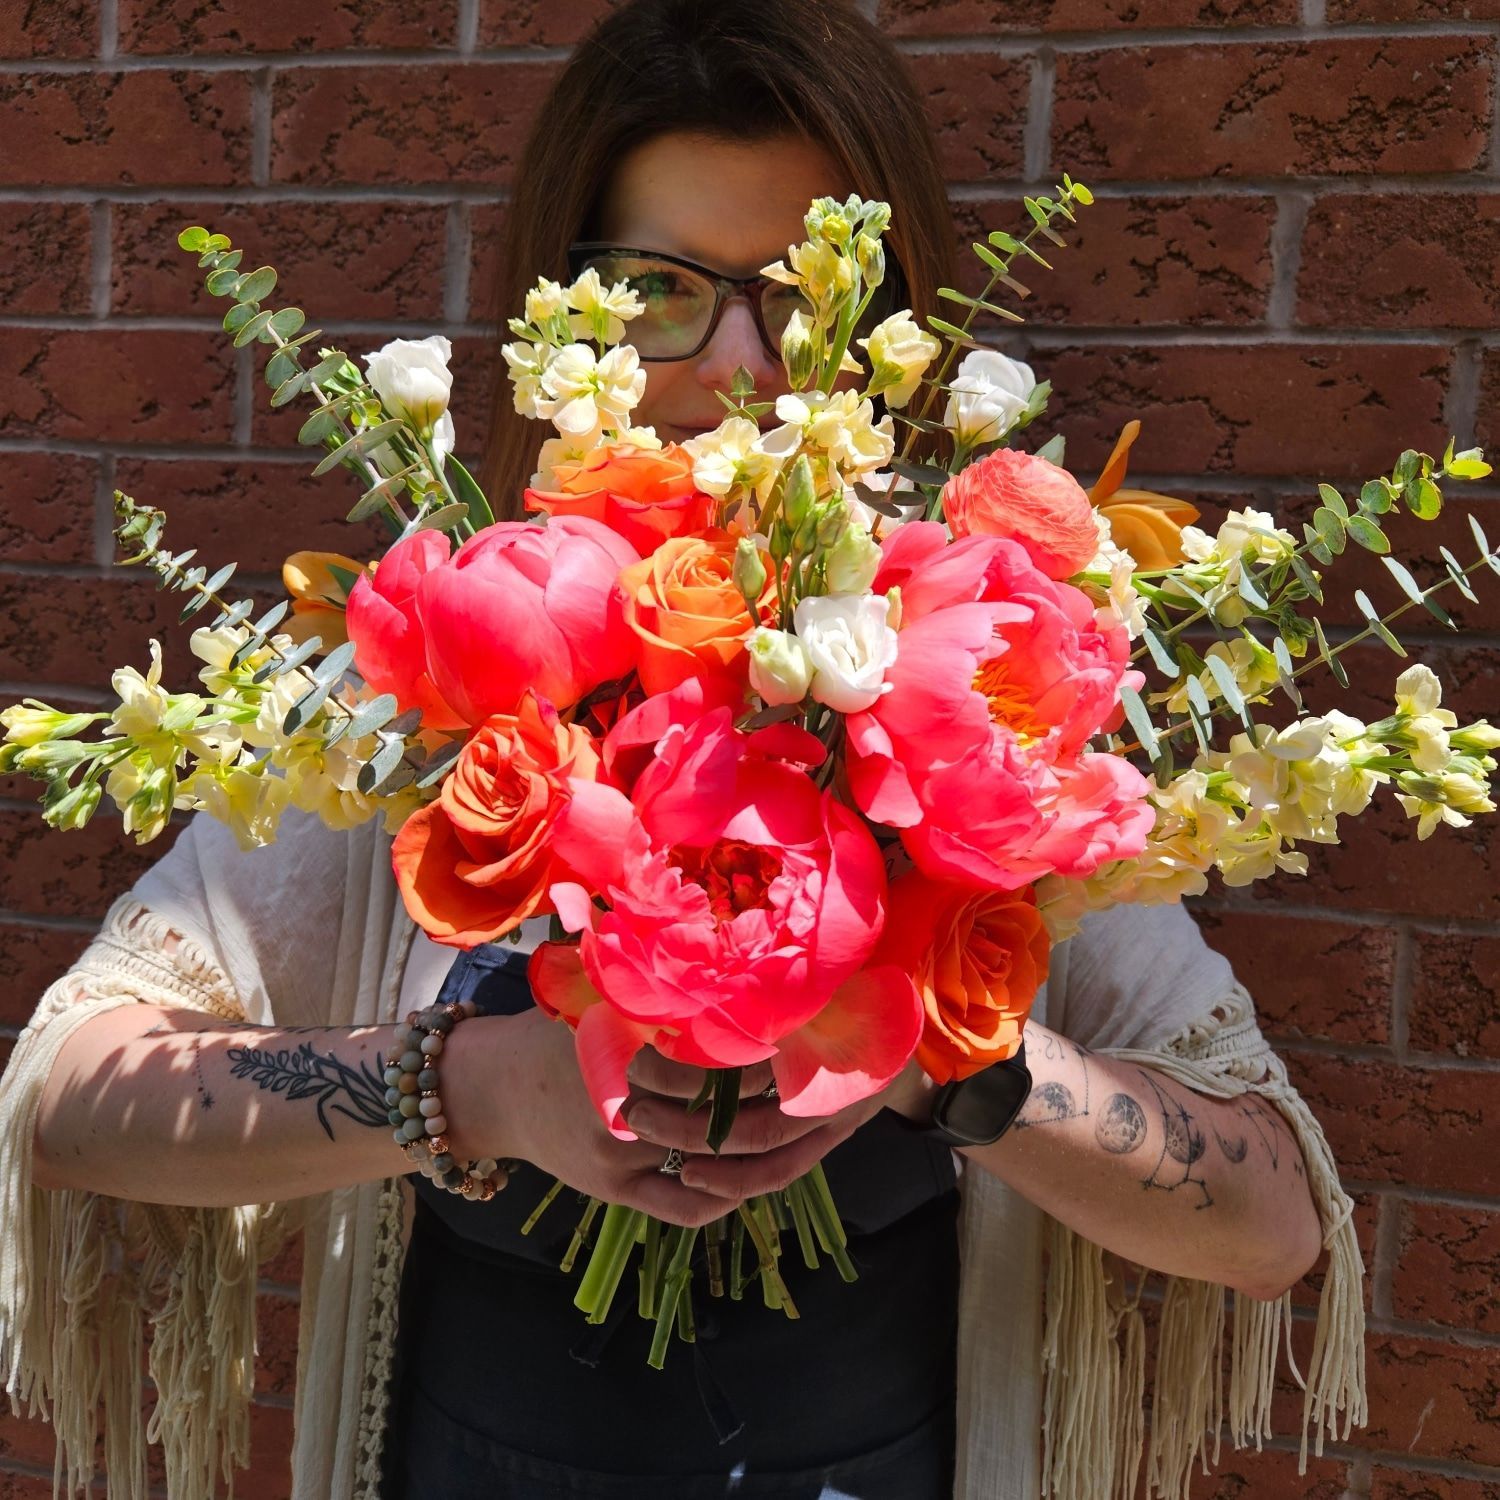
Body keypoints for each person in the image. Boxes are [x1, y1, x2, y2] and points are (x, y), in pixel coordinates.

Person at [0, 3, 1366, 1499]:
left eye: (806, 297)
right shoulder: (437, 690)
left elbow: (1272, 1220)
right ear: (563, 313)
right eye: (657, 290)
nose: (740, 367)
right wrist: (471, 1089)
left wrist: (940, 1059)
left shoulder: (974, 713)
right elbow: (72, 1094)